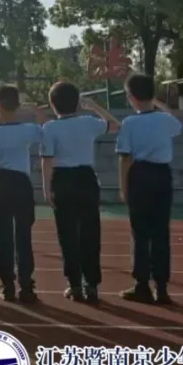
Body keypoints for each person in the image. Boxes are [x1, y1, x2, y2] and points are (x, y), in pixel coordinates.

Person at [40, 81, 119, 304]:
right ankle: (91, 284)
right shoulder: (88, 122)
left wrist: (47, 188)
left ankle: (74, 284)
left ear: (52, 104)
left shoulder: (50, 128)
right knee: (90, 232)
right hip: (86, 178)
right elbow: (115, 125)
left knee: (67, 233)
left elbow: (47, 160)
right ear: (77, 103)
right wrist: (94, 106)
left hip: (62, 179)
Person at [116, 73, 183, 305]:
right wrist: (157, 102)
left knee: (140, 233)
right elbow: (177, 122)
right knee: (161, 232)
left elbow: (125, 158)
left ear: (131, 97)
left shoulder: (129, 123)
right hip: (162, 175)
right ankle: (161, 287)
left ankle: (142, 285)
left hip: (140, 175)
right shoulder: (165, 120)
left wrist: (124, 187)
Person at [0, 85, 42, 303]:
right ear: (17, 105)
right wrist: (37, 111)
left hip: (2, 181)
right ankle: (26, 285)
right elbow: (46, 129)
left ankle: (7, 285)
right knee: (24, 235)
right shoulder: (28, 129)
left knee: (3, 236)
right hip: (21, 183)